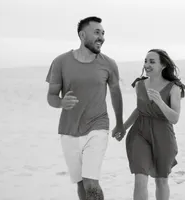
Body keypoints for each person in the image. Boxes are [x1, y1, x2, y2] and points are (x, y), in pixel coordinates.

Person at [46, 16, 125, 200]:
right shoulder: (60, 62)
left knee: (91, 182)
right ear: (82, 35)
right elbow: (51, 96)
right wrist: (61, 103)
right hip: (69, 130)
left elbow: (115, 94)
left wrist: (119, 123)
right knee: (81, 184)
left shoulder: (109, 64)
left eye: (103, 33)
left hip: (98, 127)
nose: (102, 37)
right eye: (97, 32)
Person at [113, 49, 185, 200]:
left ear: (163, 65)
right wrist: (123, 126)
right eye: (146, 61)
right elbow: (139, 110)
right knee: (139, 178)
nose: (147, 65)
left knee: (161, 180)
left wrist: (160, 102)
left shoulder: (174, 88)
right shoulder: (140, 85)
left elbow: (174, 118)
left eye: (152, 61)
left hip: (163, 135)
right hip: (139, 133)